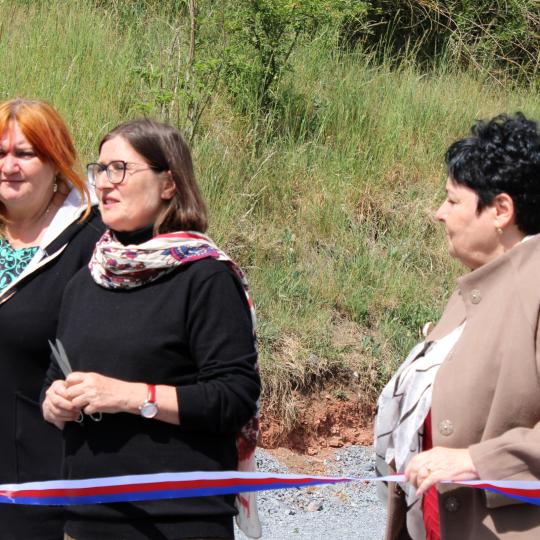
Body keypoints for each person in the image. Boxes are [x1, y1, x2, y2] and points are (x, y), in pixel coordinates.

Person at [42, 118, 261, 540]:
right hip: (85, 522)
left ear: (169, 183)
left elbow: (234, 397)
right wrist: (54, 403)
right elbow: (55, 377)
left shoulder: (205, 278)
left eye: (120, 169)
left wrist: (129, 397)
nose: (104, 183)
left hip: (177, 522)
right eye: (99, 170)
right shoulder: (86, 280)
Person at [375, 112, 540, 539]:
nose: (438, 214)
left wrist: (475, 461)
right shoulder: (474, 289)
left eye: (452, 201)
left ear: (500, 210)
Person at [0, 98, 104, 539]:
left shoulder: (91, 241)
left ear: (56, 161)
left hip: (40, 477)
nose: (9, 166)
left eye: (24, 154)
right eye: (0, 153)